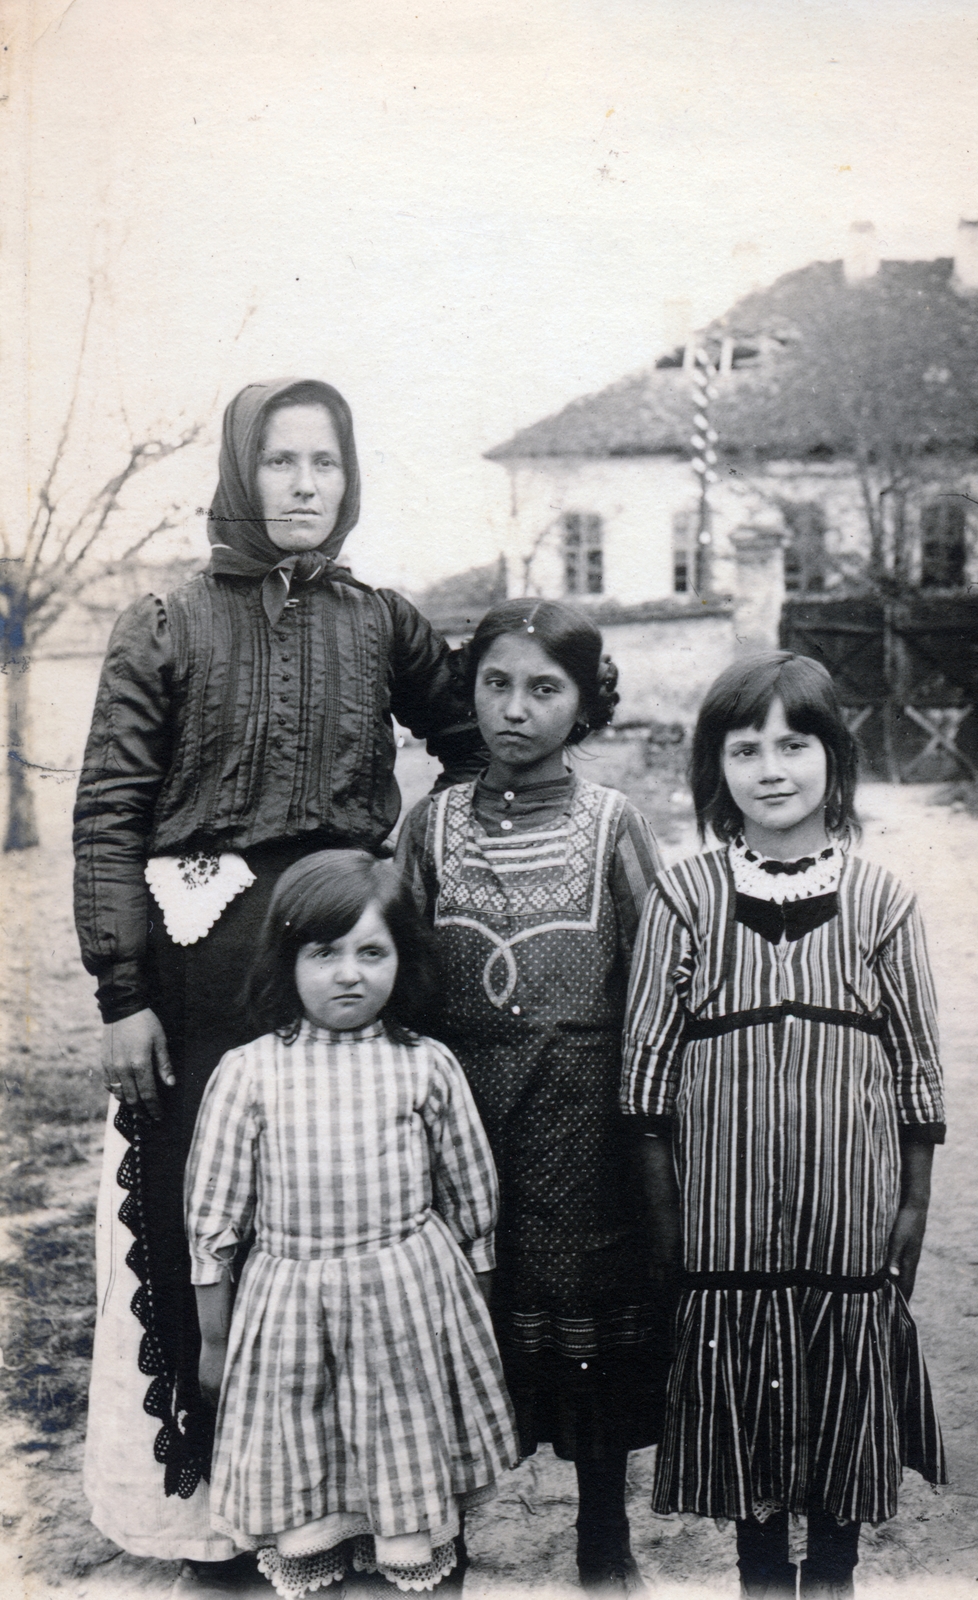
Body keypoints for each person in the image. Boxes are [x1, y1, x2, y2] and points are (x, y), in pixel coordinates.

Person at [73, 379, 482, 1588]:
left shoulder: (383, 623)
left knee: (344, 1216)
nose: (305, 484)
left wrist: (402, 863)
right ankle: (213, 1514)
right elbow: (107, 815)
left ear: (350, 479)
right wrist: (119, 991)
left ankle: (358, 1505)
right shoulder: (161, 620)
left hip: (339, 951)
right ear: (240, 474)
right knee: (209, 1215)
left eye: (327, 462)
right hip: (199, 969)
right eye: (281, 461)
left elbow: (469, 740)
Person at [621, 651, 947, 1600]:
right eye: (744, 747)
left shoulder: (884, 902)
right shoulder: (684, 897)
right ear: (713, 770)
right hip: (725, 1230)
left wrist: (911, 1206)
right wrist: (666, 1213)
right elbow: (644, 1074)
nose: (771, 768)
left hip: (849, 1218)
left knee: (844, 1387)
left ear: (832, 760)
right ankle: (759, 1573)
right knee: (743, 1402)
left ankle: (834, 1573)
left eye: (794, 744)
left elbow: (918, 1066)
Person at [396, 599, 666, 1595]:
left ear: (585, 703)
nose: (516, 709)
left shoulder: (612, 828)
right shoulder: (428, 828)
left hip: (584, 1137)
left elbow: (660, 979)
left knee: (590, 1337)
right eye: (496, 684)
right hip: (460, 1131)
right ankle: (443, 1540)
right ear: (470, 693)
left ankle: (604, 1537)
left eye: (544, 688)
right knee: (454, 1330)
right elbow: (400, 969)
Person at [185, 850, 519, 1598]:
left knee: (409, 1497)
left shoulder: (424, 1065)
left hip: (406, 1305)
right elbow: (213, 1222)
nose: (348, 974)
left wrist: (471, 1320)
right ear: (286, 960)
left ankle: (415, 1569)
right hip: (291, 1312)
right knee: (311, 1481)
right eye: (324, 952)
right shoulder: (250, 1072)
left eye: (372, 953)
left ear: (402, 960)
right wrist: (214, 1338)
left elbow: (472, 1202)